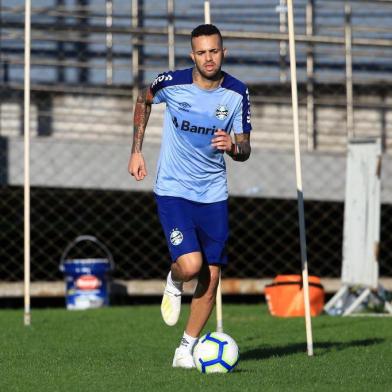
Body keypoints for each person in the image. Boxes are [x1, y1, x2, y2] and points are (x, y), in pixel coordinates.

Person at [128, 24, 252, 368]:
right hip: (174, 190)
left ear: (223, 52)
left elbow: (245, 147)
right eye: (201, 52)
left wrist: (234, 147)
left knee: (211, 279)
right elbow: (144, 99)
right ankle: (174, 278)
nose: (208, 58)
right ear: (192, 55)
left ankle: (185, 349)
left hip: (213, 195)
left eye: (214, 51)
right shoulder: (171, 83)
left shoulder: (237, 93)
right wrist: (136, 151)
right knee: (191, 266)